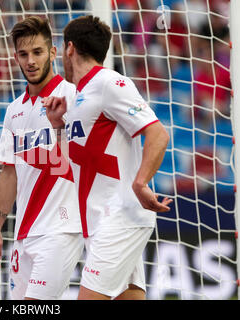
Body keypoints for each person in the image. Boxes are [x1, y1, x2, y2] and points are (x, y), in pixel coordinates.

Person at [42, 15, 172, 300]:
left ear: (70, 49)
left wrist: (141, 183)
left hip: (118, 218)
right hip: (100, 220)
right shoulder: (77, 98)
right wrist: (58, 126)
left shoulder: (110, 82)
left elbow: (158, 134)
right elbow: (66, 166)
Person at [0, 16, 83, 300]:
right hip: (23, 233)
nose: (31, 61)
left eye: (38, 52)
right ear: (15, 57)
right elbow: (9, 172)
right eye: (24, 54)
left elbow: (89, 155)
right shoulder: (13, 111)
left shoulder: (74, 97)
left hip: (61, 228)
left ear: (53, 52)